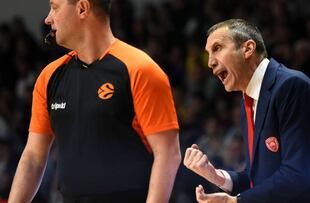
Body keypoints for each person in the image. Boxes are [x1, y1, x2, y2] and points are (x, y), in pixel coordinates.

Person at [8, 0, 181, 202]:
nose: (48, 19)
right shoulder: (49, 77)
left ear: (82, 8)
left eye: (55, 7)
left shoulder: (140, 69)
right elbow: (33, 157)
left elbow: (168, 153)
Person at [183, 19, 310, 203]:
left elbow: (297, 173)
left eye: (217, 48)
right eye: (208, 53)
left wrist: (235, 201)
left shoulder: (291, 87)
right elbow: (259, 178)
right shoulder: (248, 103)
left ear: (248, 49)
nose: (210, 62)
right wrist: (216, 176)